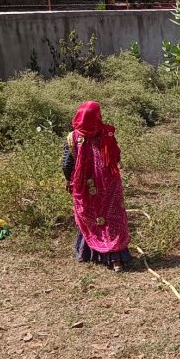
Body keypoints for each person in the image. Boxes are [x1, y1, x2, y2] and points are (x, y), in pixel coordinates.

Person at [62, 101, 131, 271]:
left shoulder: (73, 138)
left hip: (86, 186)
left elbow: (67, 164)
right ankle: (116, 259)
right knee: (112, 217)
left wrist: (68, 180)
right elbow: (116, 157)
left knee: (90, 216)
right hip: (109, 185)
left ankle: (87, 253)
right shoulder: (107, 133)